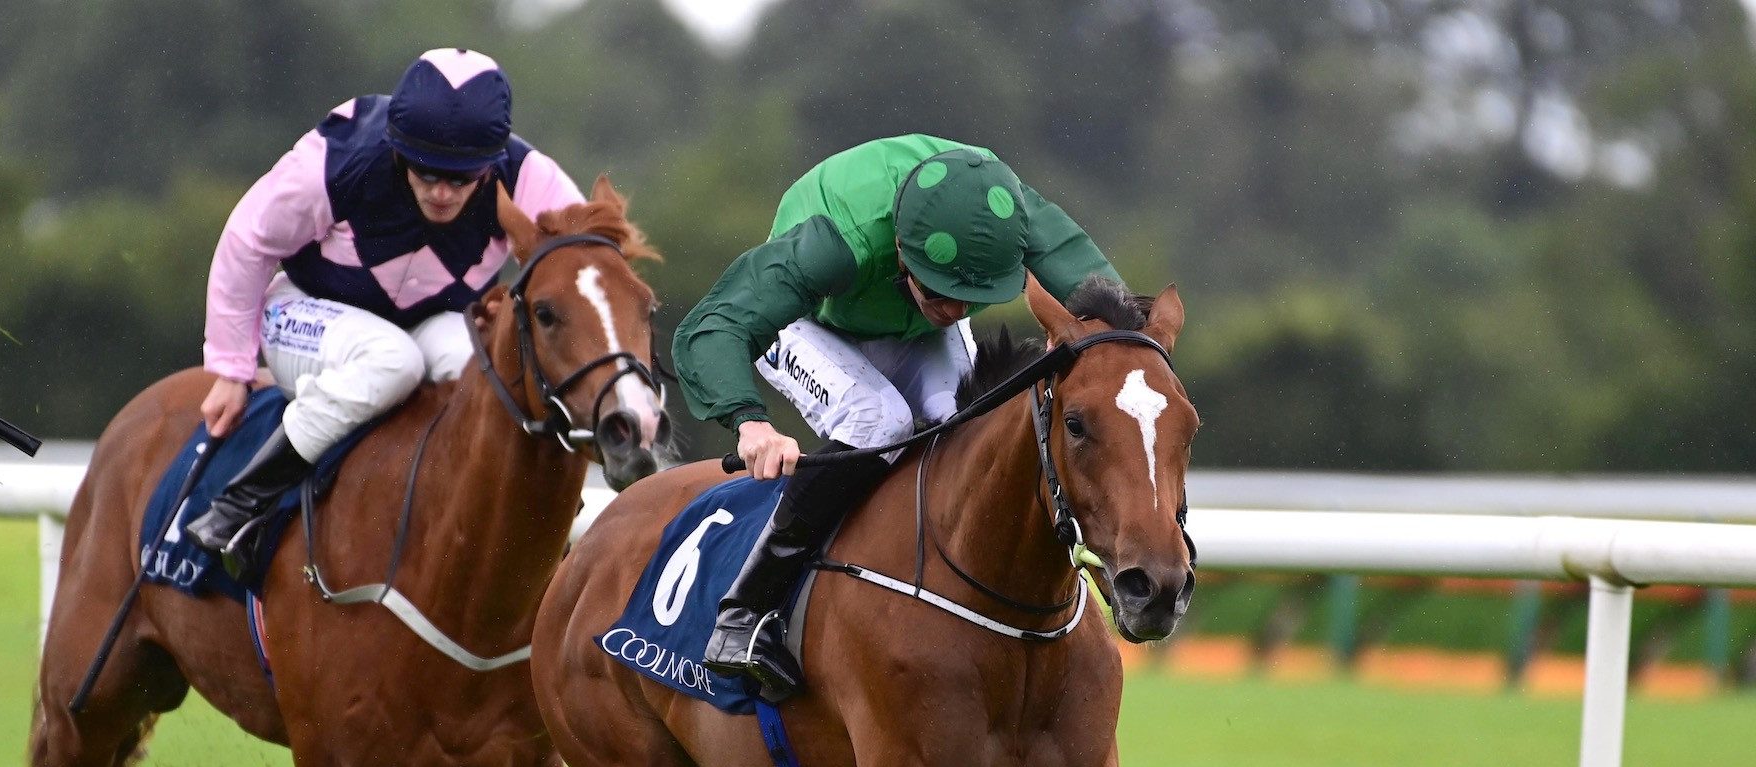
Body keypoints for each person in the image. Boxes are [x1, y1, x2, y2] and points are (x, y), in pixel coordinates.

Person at [672, 134, 1126, 700]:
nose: (957, 312)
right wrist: (749, 422)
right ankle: (744, 613)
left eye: (970, 295)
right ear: (902, 250)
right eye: (943, 292)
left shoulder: (1010, 214)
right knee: (879, 420)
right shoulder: (833, 243)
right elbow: (713, 326)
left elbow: (1120, 314)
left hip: (903, 322)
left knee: (962, 428)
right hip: (809, 320)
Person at [185, 47, 585, 569]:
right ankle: (238, 506)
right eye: (425, 171)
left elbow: (584, 265)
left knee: (490, 369)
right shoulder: (340, 157)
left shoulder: (528, 175)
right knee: (391, 360)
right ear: (398, 149)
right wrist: (232, 370)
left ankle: (530, 528)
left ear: (490, 164)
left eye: (461, 178)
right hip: (304, 311)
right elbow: (248, 240)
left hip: (431, 320)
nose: (442, 192)